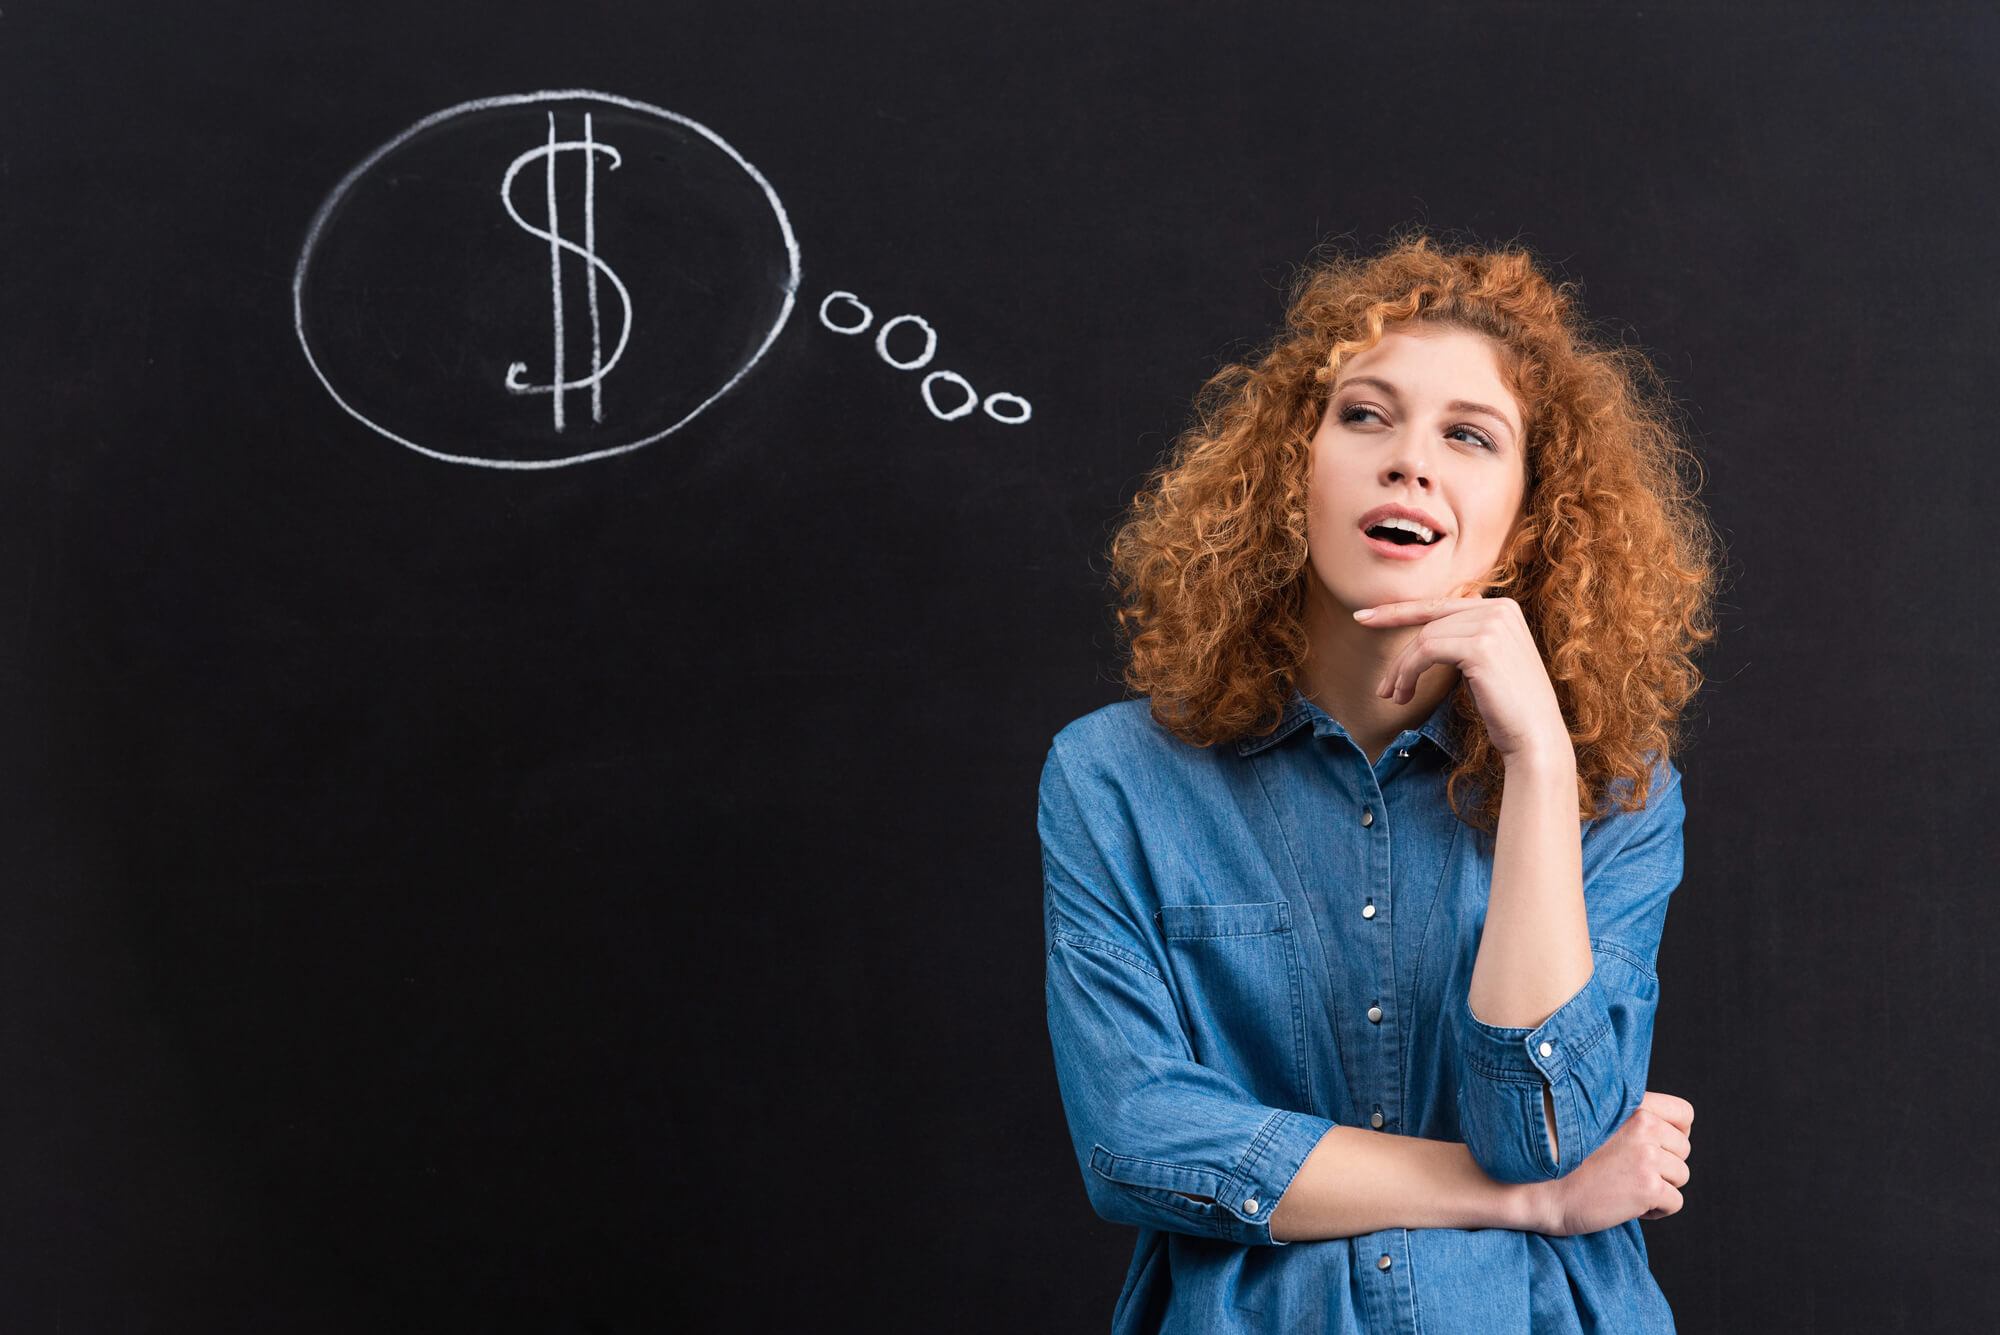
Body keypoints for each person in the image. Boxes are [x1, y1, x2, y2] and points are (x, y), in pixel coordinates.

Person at [1039, 232, 1721, 1333]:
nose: (1410, 460)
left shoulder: (1616, 797)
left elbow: (1538, 1130)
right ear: (1286, 470)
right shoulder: (1112, 778)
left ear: (1525, 522)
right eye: (1363, 415)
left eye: (1468, 436)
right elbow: (1136, 1137)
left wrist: (1539, 767)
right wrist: (1534, 1203)